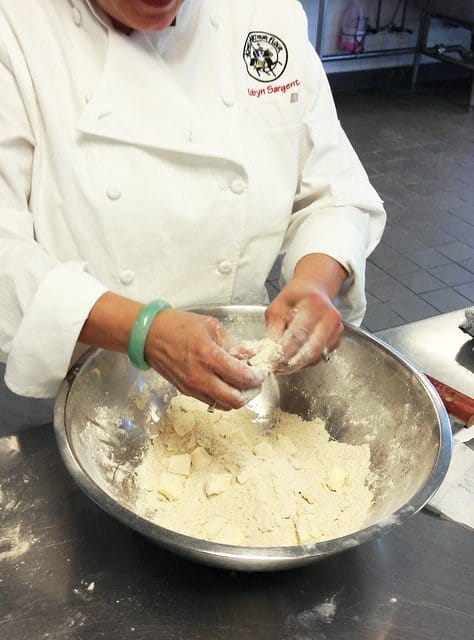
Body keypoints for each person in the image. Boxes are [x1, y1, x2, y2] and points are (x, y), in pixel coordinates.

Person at [0, 0, 386, 434]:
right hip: (75, 399)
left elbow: (334, 189)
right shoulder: (16, 26)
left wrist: (315, 280)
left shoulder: (265, 12)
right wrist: (147, 331)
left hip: (242, 394)